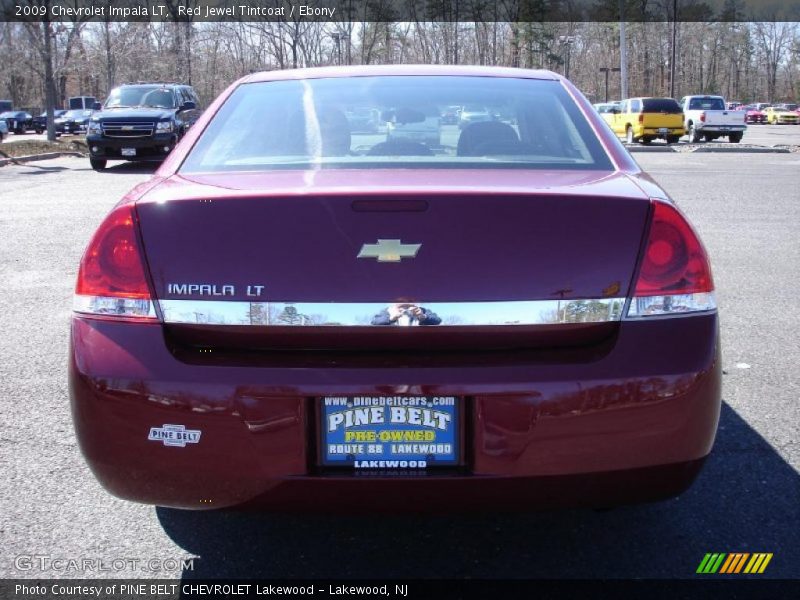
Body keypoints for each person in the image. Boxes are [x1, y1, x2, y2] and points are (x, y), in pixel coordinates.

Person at [371, 303, 441, 326]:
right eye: (401, 301)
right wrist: (391, 319)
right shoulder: (388, 310)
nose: (406, 303)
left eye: (410, 300)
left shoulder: (422, 310)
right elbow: (374, 322)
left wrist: (423, 317)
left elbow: (437, 320)